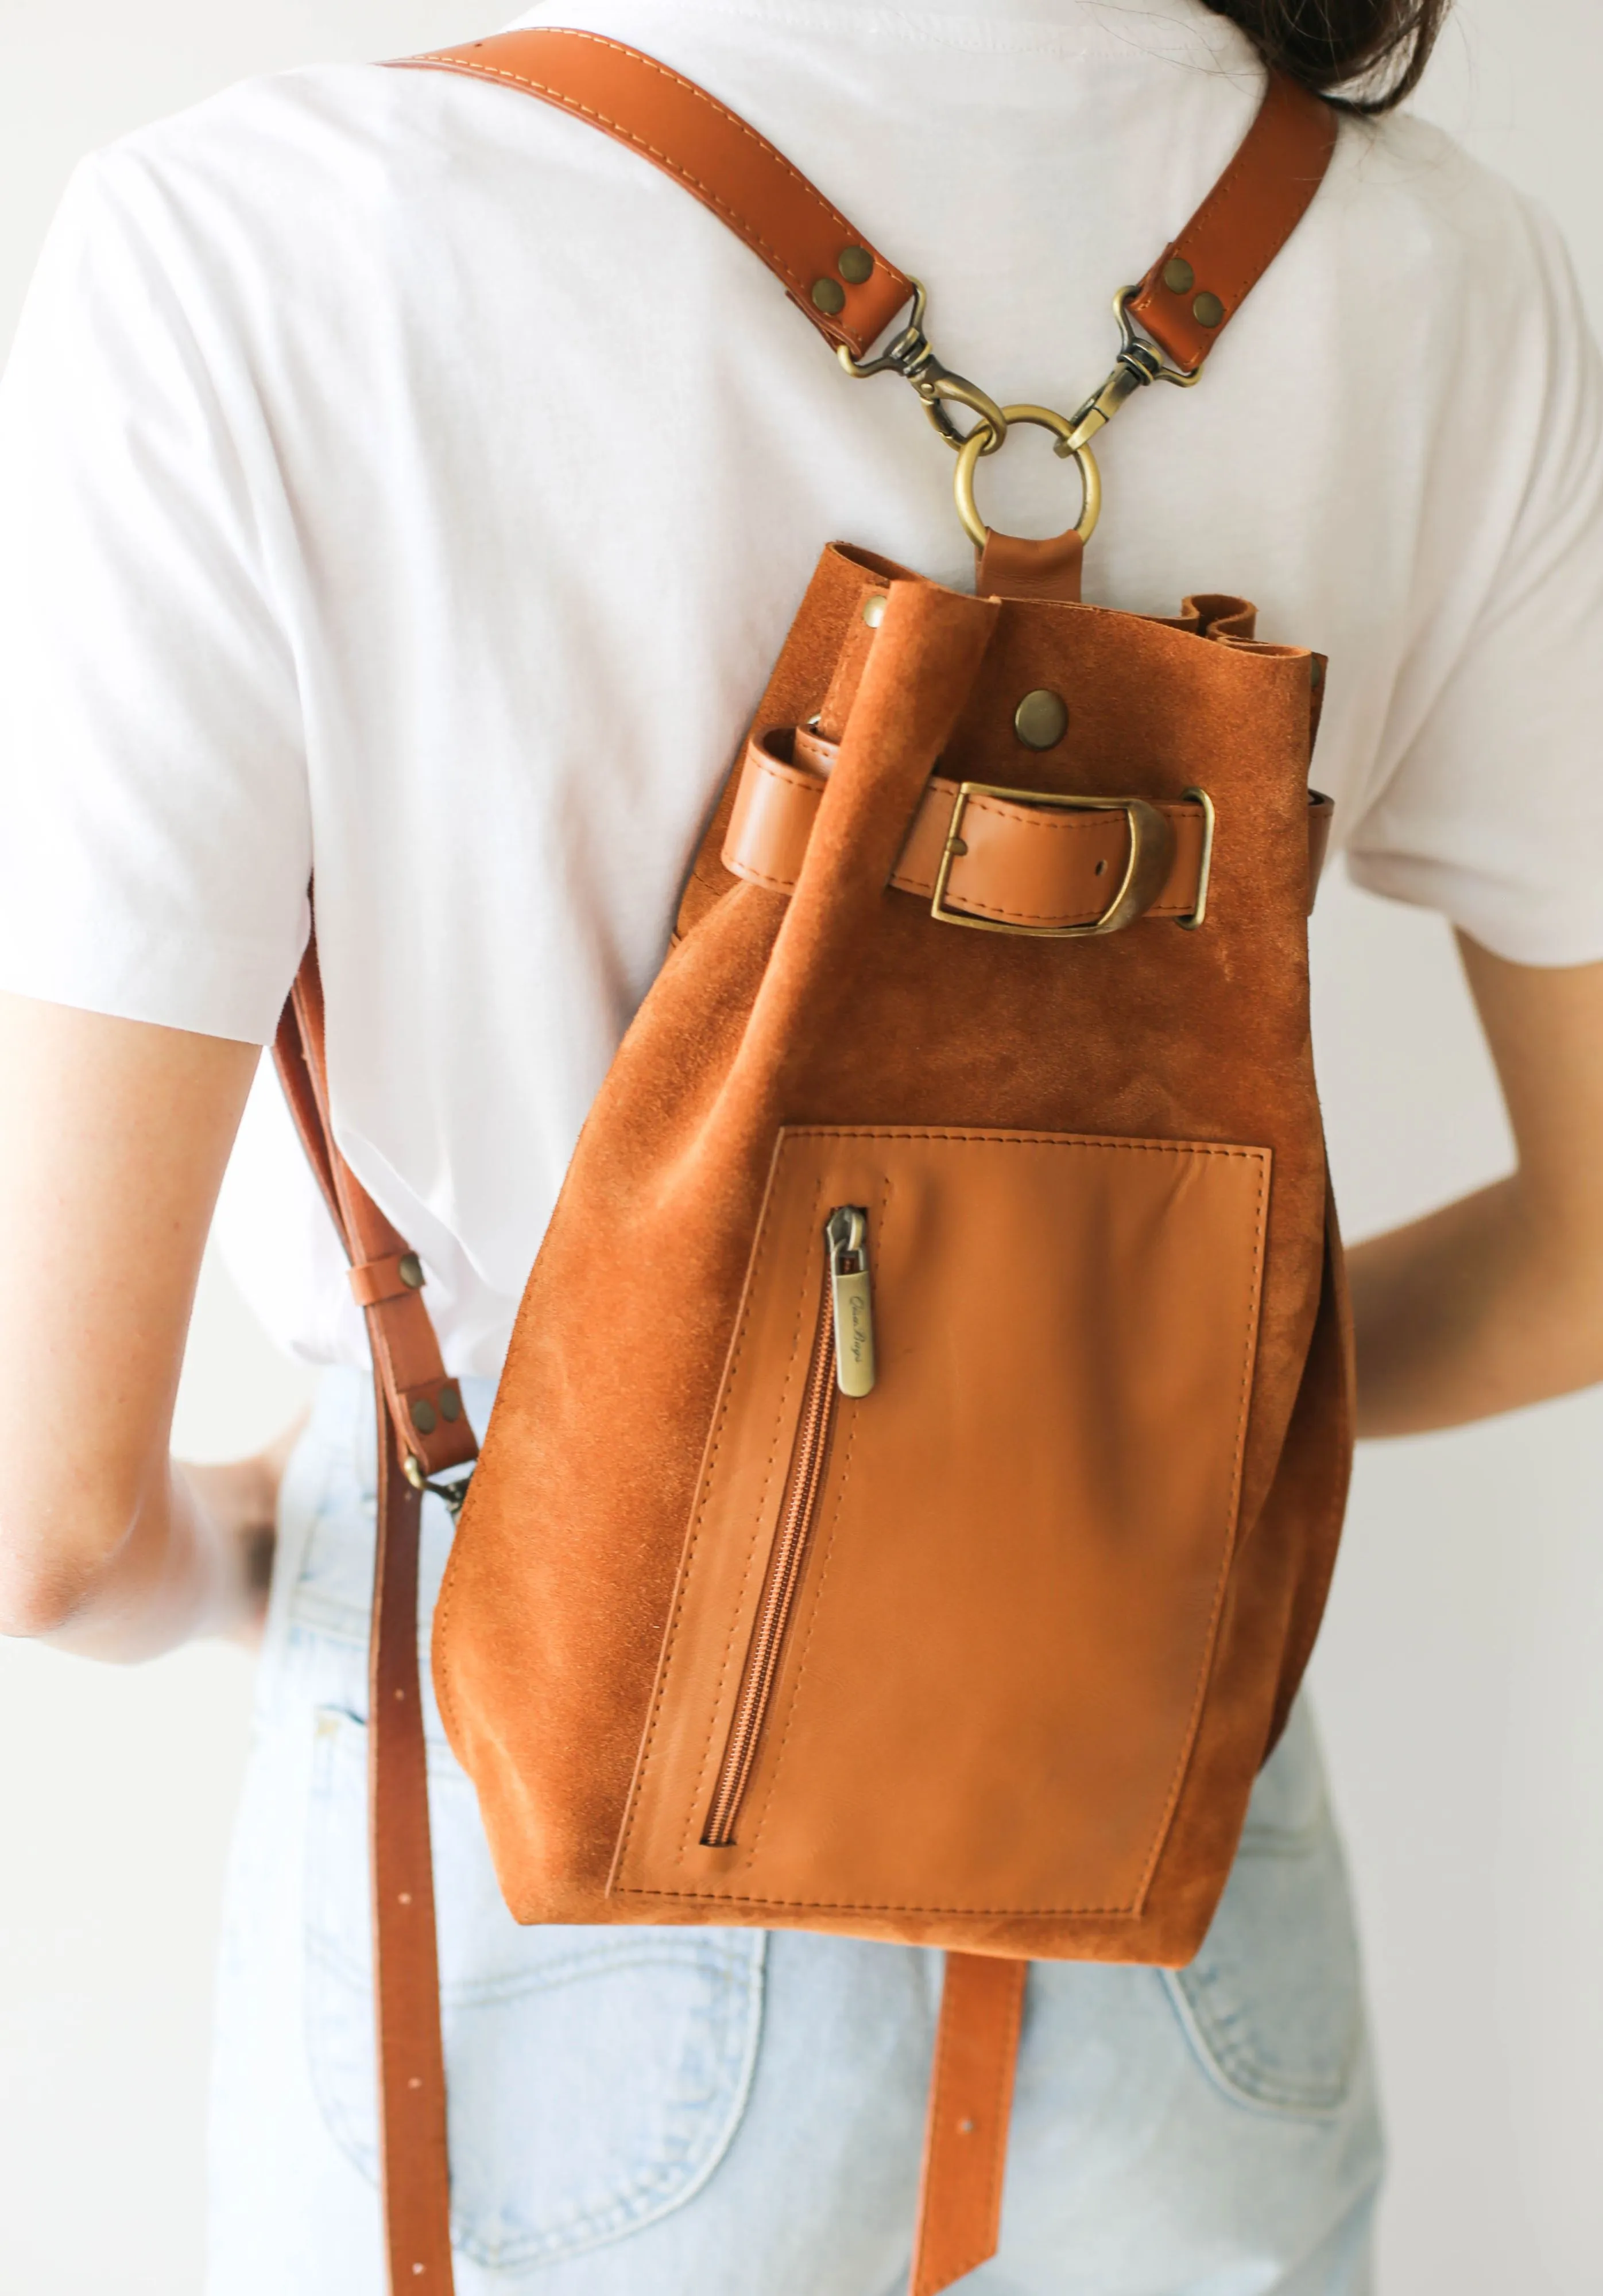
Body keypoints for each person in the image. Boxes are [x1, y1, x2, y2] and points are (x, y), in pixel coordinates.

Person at [2, 0, 1601, 2287]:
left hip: (524, 1832)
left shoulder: (258, 249)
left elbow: (44, 1528)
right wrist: (1088, 1397)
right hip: (1165, 1838)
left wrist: (252, 1549)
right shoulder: (1441, 273)